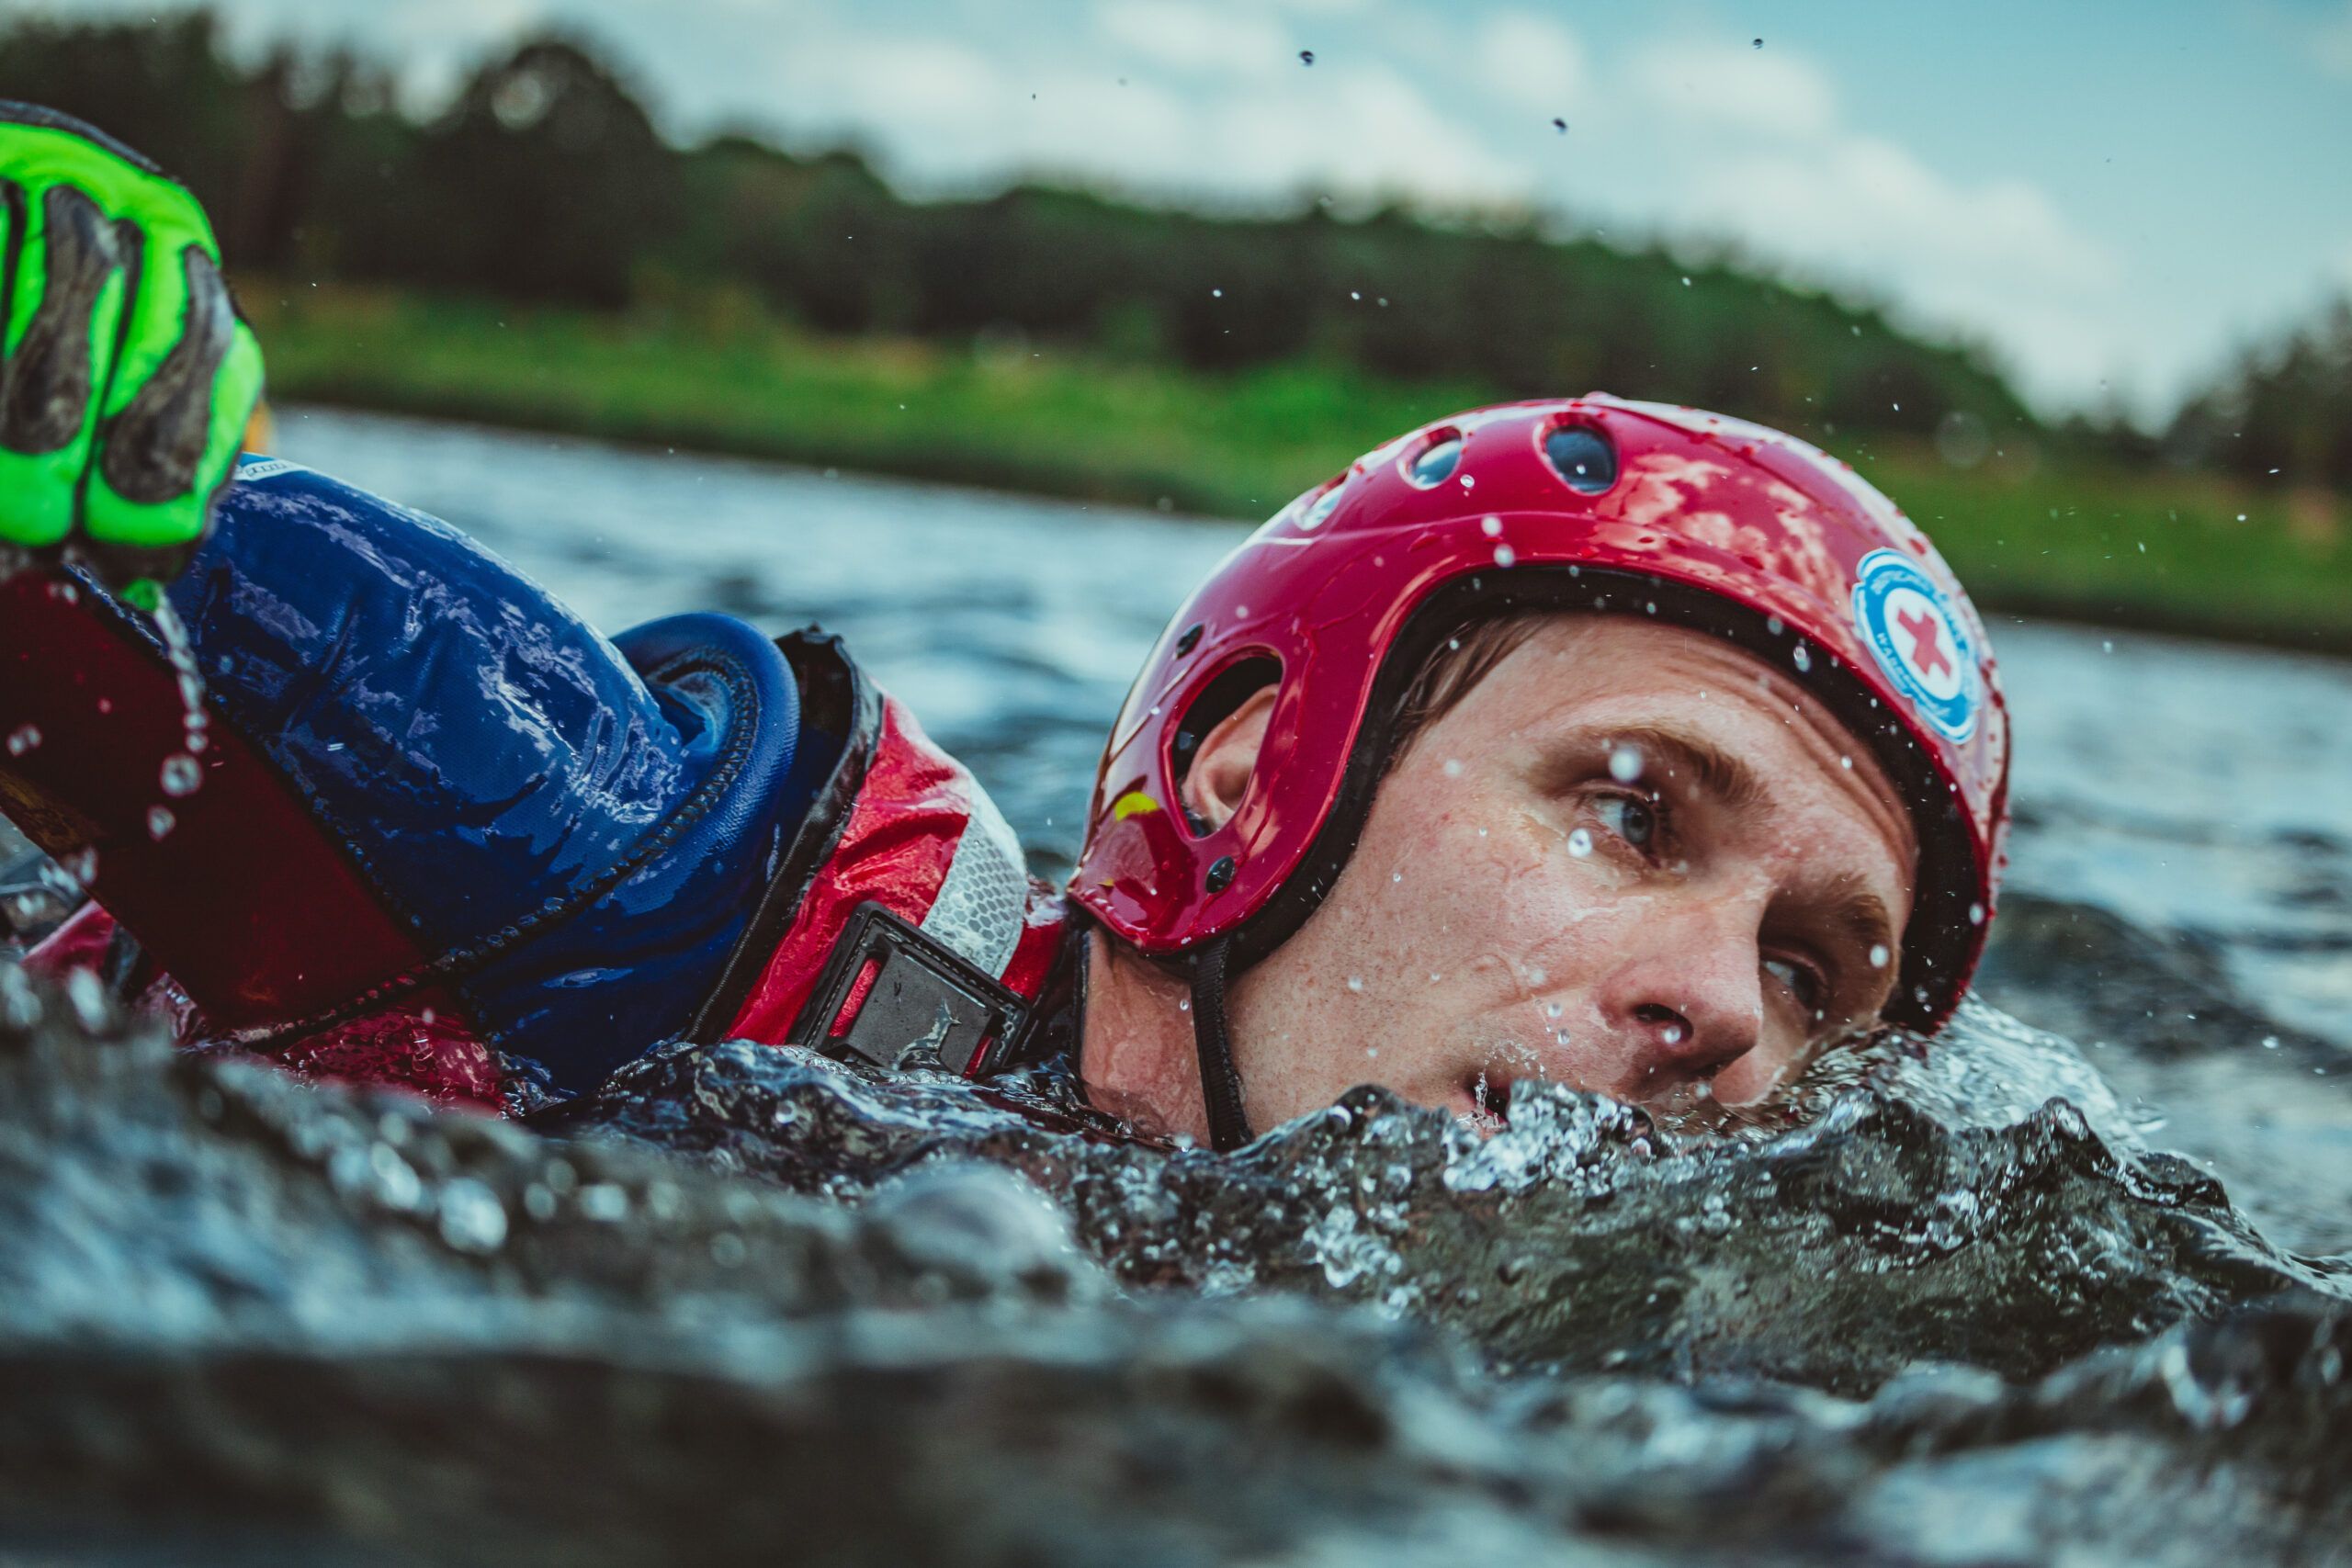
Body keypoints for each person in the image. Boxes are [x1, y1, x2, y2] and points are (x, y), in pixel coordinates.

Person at [0, 106, 2008, 1147]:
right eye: (1635, 810)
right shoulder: (642, 893)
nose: (1731, 1016)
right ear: (1248, 769)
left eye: (1818, 971)